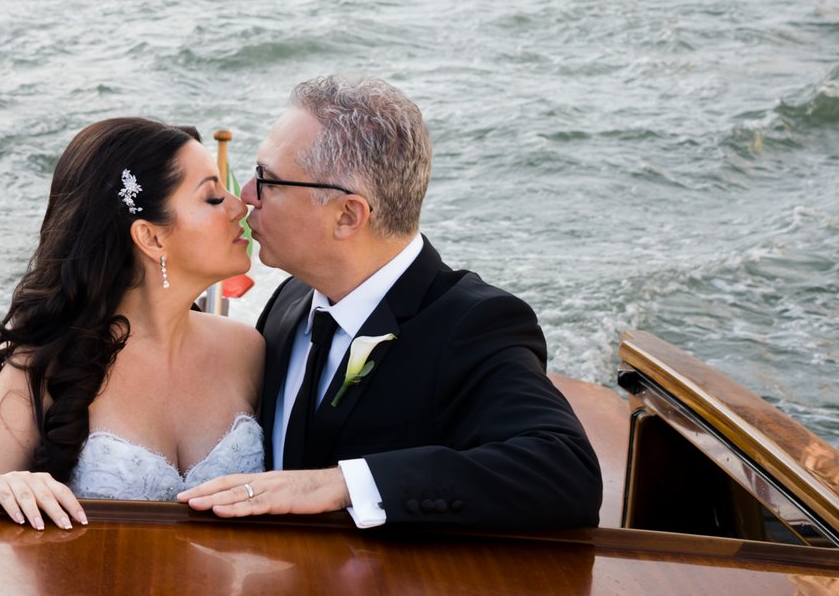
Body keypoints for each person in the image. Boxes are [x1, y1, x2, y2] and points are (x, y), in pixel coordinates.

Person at [178, 75, 601, 531]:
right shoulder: (291, 298)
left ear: (347, 215)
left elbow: (565, 472)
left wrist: (344, 484)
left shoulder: (473, 324)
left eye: (268, 181)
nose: (245, 198)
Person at [0, 118, 264, 529]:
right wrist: (4, 488)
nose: (239, 206)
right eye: (212, 198)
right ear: (151, 238)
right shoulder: (39, 369)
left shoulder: (249, 350)